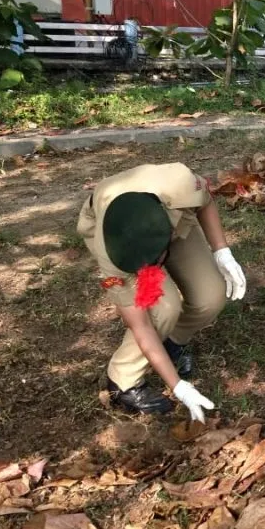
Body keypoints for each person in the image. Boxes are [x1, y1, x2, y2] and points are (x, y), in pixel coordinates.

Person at [77, 163, 247, 422]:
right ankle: (123, 380)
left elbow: (205, 200)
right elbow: (141, 326)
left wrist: (222, 250)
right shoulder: (113, 255)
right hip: (121, 230)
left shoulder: (181, 185)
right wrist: (177, 386)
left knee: (211, 294)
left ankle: (172, 342)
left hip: (166, 213)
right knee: (163, 309)